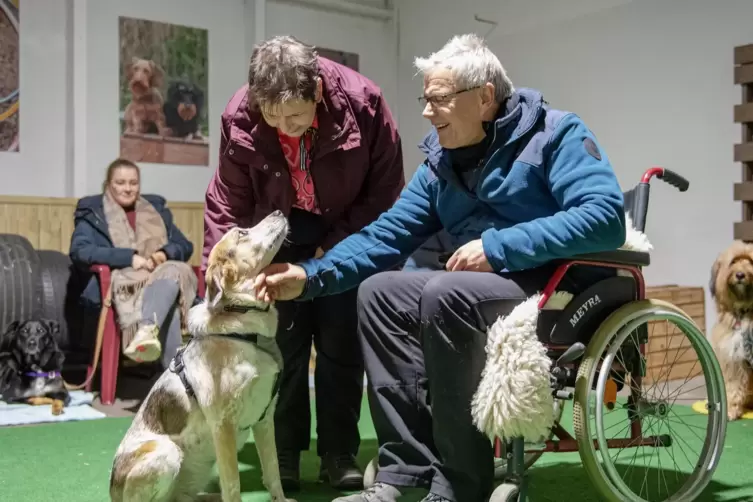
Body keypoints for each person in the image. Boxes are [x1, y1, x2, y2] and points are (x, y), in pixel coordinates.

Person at [253, 34, 627, 502]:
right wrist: (311, 275)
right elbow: (386, 235)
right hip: (477, 285)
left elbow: (605, 216)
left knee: (444, 293)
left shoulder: (556, 134)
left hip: (552, 286)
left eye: (440, 99)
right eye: (426, 99)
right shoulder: (439, 162)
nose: (428, 112)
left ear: (485, 97)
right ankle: (401, 473)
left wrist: (497, 245)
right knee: (380, 291)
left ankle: (459, 482)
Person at [201, 35, 405, 491]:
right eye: (271, 115)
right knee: (284, 348)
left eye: (293, 114)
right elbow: (227, 203)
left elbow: (385, 193)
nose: (283, 126)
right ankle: (286, 452)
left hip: (348, 230)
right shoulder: (242, 112)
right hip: (275, 232)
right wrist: (217, 285)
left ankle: (338, 452)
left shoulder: (364, 103)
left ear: (316, 91)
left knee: (340, 345)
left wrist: (331, 249)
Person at [69, 158, 196, 370]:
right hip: (118, 286)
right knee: (170, 305)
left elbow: (184, 245)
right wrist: (128, 258)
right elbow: (80, 250)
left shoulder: (154, 210)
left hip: (159, 278)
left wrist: (164, 254)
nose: (128, 189)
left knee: (174, 270)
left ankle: (148, 331)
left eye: (133, 183)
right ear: (108, 184)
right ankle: (175, 381)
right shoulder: (93, 213)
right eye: (120, 183)